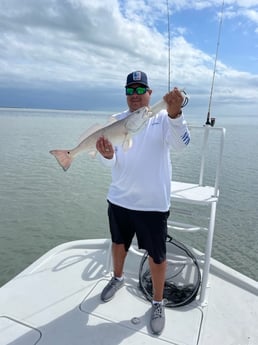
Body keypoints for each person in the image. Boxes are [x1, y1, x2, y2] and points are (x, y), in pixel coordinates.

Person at [96, 71, 190, 335]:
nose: (135, 96)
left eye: (140, 90)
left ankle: (157, 302)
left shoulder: (162, 118)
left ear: (150, 93)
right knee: (117, 244)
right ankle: (117, 278)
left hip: (152, 204)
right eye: (130, 91)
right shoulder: (115, 121)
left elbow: (183, 144)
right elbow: (110, 162)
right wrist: (106, 155)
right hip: (119, 198)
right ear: (125, 94)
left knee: (157, 257)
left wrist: (175, 114)